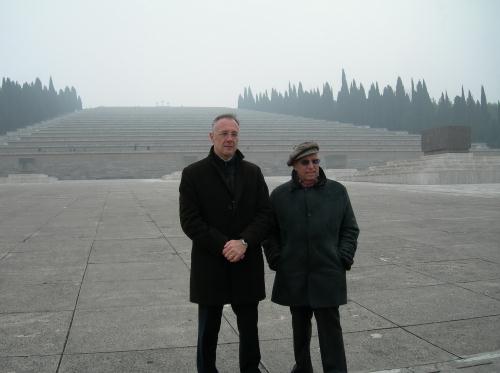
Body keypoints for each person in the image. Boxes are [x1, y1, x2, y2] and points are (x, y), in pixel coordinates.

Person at [179, 113, 272, 373]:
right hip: (211, 263)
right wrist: (225, 245)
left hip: (246, 261)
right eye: (224, 134)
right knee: (208, 330)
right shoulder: (193, 174)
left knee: (249, 330)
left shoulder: (253, 173)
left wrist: (243, 242)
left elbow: (265, 215)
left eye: (234, 134)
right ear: (211, 137)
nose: (230, 139)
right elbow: (190, 221)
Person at [263, 141, 359, 373]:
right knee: (300, 327)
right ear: (294, 166)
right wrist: (277, 258)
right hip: (294, 273)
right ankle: (303, 368)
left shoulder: (337, 192)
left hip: (328, 272)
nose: (312, 166)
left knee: (331, 330)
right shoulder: (279, 195)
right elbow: (269, 232)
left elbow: (350, 229)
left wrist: (343, 257)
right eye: (305, 162)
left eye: (315, 161)